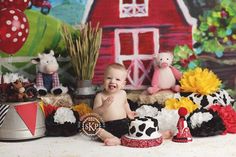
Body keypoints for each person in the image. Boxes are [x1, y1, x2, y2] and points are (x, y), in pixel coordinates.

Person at [93, 63, 137, 146]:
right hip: (107, 125)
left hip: (124, 122)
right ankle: (115, 139)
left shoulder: (123, 93)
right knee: (97, 130)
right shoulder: (100, 96)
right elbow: (95, 114)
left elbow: (125, 104)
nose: (112, 81)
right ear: (103, 80)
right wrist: (104, 106)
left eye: (117, 79)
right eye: (109, 78)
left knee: (135, 125)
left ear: (123, 84)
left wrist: (129, 112)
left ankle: (156, 133)